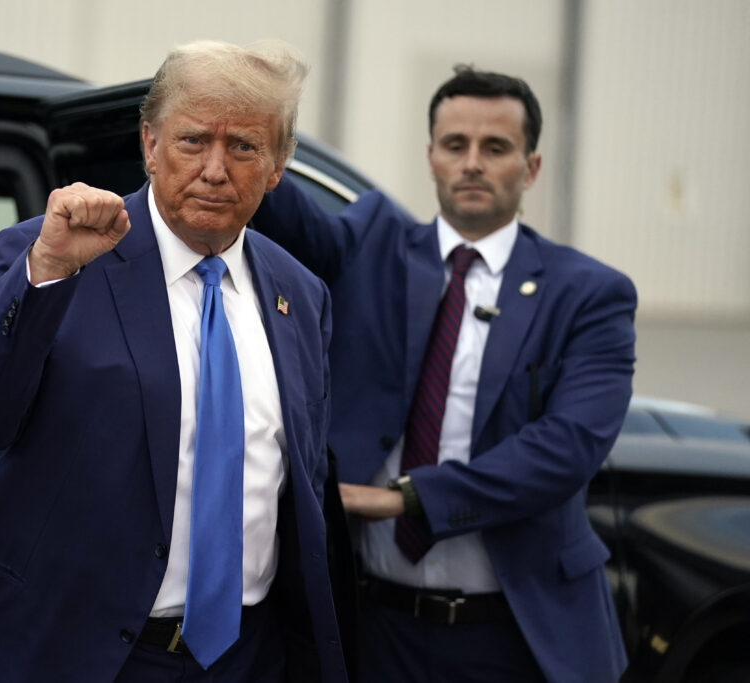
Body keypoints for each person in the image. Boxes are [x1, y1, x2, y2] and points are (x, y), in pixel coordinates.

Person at [0, 40, 347, 683]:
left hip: (248, 659)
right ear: (149, 144)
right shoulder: (58, 255)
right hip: (85, 655)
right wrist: (47, 271)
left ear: (278, 165)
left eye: (244, 147)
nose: (214, 169)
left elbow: (299, 482)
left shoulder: (299, 294)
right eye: (193, 140)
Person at [251, 65, 636, 682]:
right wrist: (253, 118)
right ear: (431, 156)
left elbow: (566, 449)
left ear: (531, 166)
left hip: (516, 637)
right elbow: (282, 217)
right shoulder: (373, 242)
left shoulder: (588, 293)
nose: (473, 163)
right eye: (456, 145)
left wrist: (403, 498)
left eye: (496, 147)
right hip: (377, 631)